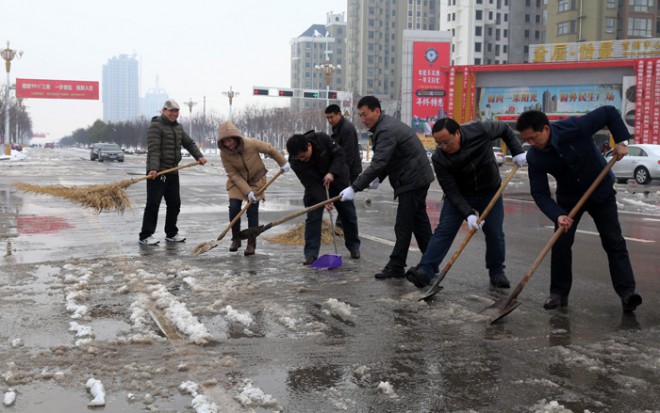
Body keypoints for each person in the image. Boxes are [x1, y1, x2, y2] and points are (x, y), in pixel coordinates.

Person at [516, 106, 642, 312]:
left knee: (613, 241)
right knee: (560, 243)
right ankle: (558, 294)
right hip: (569, 199)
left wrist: (621, 141)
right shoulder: (535, 157)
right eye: (527, 140)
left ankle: (627, 293)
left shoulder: (574, 127)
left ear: (546, 129)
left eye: (533, 138)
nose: (531, 143)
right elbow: (539, 193)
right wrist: (558, 215)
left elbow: (609, 112)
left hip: (600, 190)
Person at [404, 118, 527, 289]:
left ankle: (497, 272)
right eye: (439, 144)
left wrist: (517, 151)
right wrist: (468, 213)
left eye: (446, 142)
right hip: (460, 195)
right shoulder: (440, 158)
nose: (444, 147)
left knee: (494, 232)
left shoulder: (480, 130)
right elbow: (451, 190)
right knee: (444, 231)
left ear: (458, 133)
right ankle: (425, 271)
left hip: (489, 191)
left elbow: (504, 128)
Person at [339, 95, 434, 279]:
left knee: (404, 225)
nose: (363, 119)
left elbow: (379, 162)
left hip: (412, 179)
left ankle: (397, 265)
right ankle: (431, 263)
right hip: (415, 177)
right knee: (419, 223)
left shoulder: (386, 130)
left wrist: (355, 187)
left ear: (377, 111)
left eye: (366, 114)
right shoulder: (384, 127)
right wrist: (377, 178)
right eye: (360, 115)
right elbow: (387, 160)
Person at [139, 99, 207, 245]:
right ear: (164, 111)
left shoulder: (178, 128)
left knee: (175, 204)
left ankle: (171, 233)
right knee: (153, 204)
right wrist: (153, 169)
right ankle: (145, 235)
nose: (174, 114)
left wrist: (199, 156)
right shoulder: (155, 127)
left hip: (172, 171)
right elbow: (154, 149)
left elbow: (189, 143)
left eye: (176, 111)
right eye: (171, 111)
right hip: (157, 173)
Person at [286, 130, 361, 265]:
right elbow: (310, 183)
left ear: (309, 146)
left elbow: (340, 155)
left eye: (304, 156)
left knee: (348, 215)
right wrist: (323, 201)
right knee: (313, 218)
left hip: (338, 180)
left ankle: (354, 246)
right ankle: (311, 254)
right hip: (316, 188)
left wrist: (332, 172)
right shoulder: (295, 161)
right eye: (300, 158)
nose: (303, 160)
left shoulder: (321, 139)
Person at [217, 121, 290, 255]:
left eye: (229, 140)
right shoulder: (224, 153)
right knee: (234, 207)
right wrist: (247, 191)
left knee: (252, 209)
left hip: (256, 179)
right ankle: (236, 239)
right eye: (224, 142)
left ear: (236, 137)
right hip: (237, 182)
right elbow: (232, 173)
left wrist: (283, 163)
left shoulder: (251, 144)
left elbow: (270, 149)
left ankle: (251, 243)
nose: (227, 144)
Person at [324, 104, 362, 183]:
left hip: (349, 171)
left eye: (331, 117)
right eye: (327, 118)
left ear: (339, 114)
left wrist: (339, 172)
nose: (329, 120)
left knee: (345, 194)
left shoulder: (346, 129)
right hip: (343, 168)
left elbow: (348, 154)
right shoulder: (337, 127)